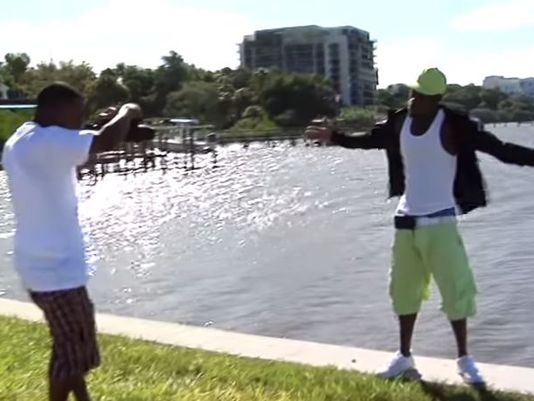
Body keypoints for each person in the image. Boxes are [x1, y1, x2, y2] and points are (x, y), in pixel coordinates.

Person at [305, 68, 534, 385]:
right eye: (411, 93)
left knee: (456, 291)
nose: (412, 100)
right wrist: (335, 137)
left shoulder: (455, 125)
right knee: (403, 291)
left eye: (420, 95)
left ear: (436, 99)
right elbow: (369, 141)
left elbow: (503, 151)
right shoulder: (399, 121)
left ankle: (464, 359)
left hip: (440, 221)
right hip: (405, 221)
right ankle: (403, 356)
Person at [1, 82, 151, 401]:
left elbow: (96, 141)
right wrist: (128, 111)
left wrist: (120, 131)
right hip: (54, 269)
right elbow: (105, 140)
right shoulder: (46, 141)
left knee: (71, 344)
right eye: (78, 113)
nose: (81, 120)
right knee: (74, 350)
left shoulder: (25, 139)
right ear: (55, 109)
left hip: (43, 266)